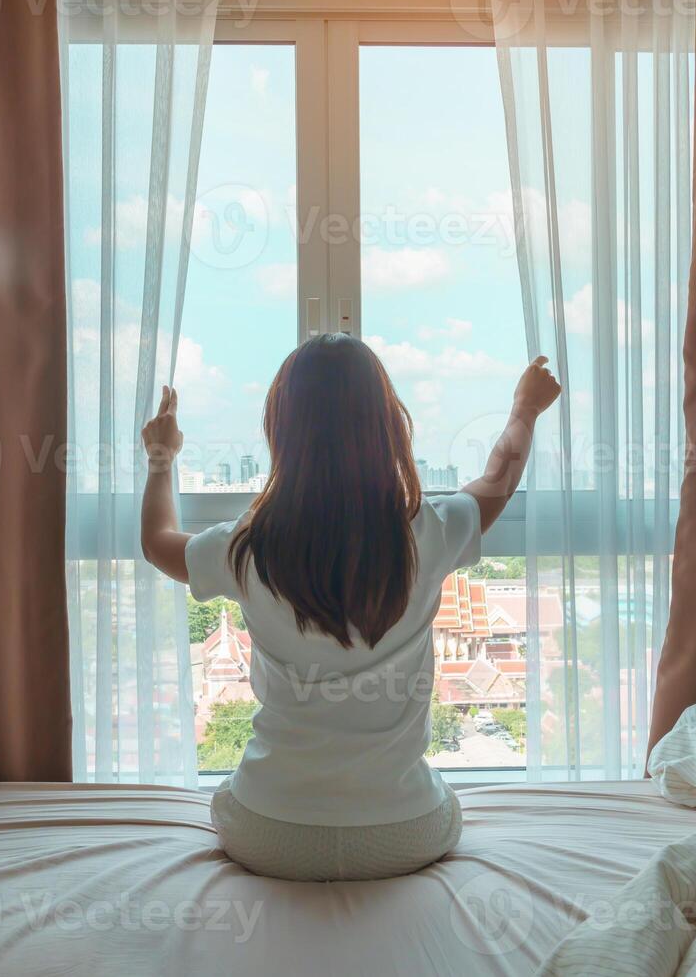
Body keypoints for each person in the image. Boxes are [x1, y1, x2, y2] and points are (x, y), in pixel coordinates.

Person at [140, 334, 562, 881]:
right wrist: (525, 409)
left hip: (267, 829)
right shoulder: (425, 533)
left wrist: (160, 459)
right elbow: (498, 480)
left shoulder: (246, 548)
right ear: (386, 424)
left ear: (282, 431)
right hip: (405, 831)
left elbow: (157, 542)